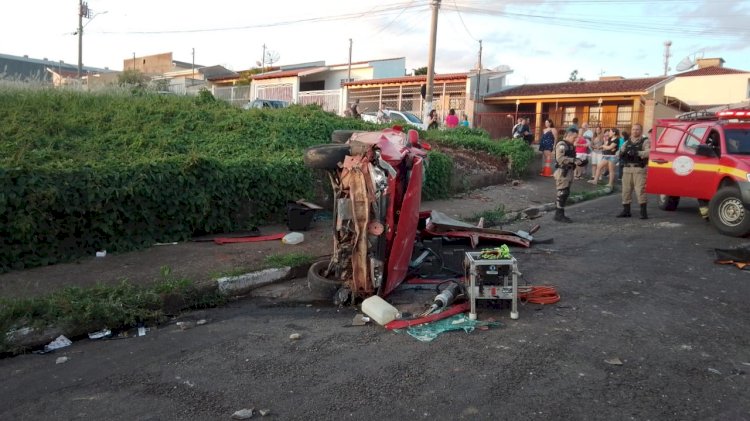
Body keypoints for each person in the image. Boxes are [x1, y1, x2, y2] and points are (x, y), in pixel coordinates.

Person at [553, 127, 587, 223]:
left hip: (569, 171)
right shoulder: (562, 144)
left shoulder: (570, 146)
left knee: (565, 192)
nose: (575, 139)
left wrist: (580, 162)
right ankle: (559, 215)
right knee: (562, 193)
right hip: (563, 172)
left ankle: (560, 213)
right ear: (569, 135)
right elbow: (560, 158)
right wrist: (574, 160)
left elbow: (572, 157)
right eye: (574, 137)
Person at [617, 123, 650, 219]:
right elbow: (619, 152)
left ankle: (643, 213)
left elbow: (649, 152)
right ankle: (626, 211)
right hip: (627, 168)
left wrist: (637, 152)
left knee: (640, 190)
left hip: (639, 169)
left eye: (637, 129)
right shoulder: (627, 142)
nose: (635, 131)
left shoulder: (645, 141)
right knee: (625, 191)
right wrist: (622, 153)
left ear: (641, 131)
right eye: (633, 129)